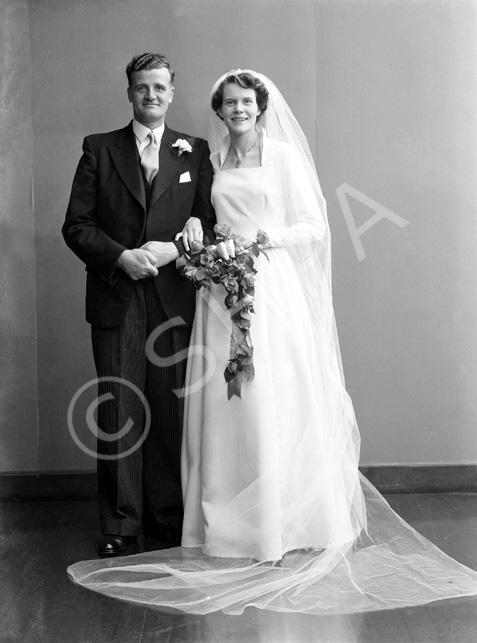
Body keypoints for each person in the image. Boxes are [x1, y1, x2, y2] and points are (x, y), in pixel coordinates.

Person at [67, 71, 477, 614]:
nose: (237, 110)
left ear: (261, 107)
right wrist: (200, 237)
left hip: (269, 286)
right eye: (229, 103)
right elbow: (203, 218)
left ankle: (274, 521)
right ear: (218, 110)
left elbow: (313, 224)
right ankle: (219, 519)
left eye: (246, 102)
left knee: (269, 398)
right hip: (217, 294)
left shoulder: (279, 156)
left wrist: (259, 241)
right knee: (218, 405)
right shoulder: (211, 159)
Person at [62, 53, 215, 557]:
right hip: (117, 295)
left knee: (171, 409)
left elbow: (211, 223)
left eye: (160, 87)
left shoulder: (194, 150)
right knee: (120, 409)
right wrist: (121, 258)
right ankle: (120, 523)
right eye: (141, 87)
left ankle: (167, 516)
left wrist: (176, 248)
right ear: (129, 93)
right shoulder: (99, 149)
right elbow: (76, 226)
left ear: (172, 92)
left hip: (175, 296)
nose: (151, 95)